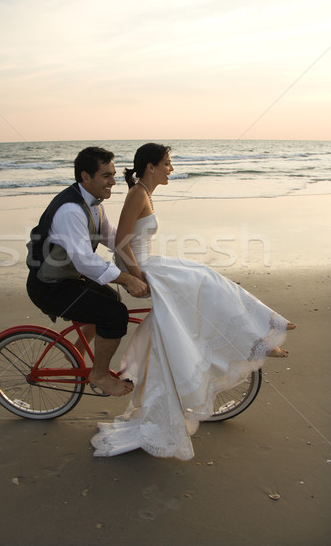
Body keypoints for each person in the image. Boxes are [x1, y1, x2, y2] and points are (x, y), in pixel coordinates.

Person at [91, 143, 296, 460]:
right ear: (150, 167)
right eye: (167, 163)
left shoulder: (144, 192)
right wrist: (136, 277)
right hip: (143, 269)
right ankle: (260, 335)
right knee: (205, 283)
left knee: (206, 282)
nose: (170, 169)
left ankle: (260, 331)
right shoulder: (137, 194)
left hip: (147, 265)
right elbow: (121, 244)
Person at [26, 146, 149, 397]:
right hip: (49, 286)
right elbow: (85, 261)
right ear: (85, 177)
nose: (113, 182)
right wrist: (125, 278)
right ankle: (100, 374)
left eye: (113, 175)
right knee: (115, 314)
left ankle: (78, 353)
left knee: (111, 298)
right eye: (106, 176)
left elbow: (113, 239)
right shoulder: (70, 210)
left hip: (67, 279)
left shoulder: (94, 204)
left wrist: (141, 270)